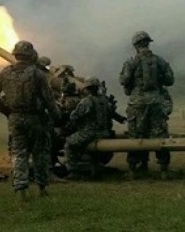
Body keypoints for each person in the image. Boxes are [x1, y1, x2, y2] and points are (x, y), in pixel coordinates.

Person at [0, 40, 61, 200]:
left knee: (18, 153)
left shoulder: (5, 73)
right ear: (31, 55)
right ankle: (42, 189)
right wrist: (56, 117)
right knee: (39, 153)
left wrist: (5, 110)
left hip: (15, 118)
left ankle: (21, 189)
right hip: (36, 118)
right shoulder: (37, 74)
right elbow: (49, 99)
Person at [119, 30, 174, 179]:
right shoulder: (160, 61)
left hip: (136, 104)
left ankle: (133, 169)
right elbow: (170, 80)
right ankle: (163, 170)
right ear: (148, 43)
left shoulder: (131, 62)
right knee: (159, 135)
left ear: (136, 46)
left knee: (136, 135)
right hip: (156, 102)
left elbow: (124, 81)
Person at [64, 77, 107, 179]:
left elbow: (74, 116)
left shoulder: (87, 101)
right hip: (104, 131)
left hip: (90, 132)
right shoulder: (103, 100)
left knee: (69, 144)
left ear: (88, 88)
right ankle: (95, 169)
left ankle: (73, 171)